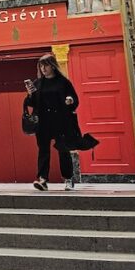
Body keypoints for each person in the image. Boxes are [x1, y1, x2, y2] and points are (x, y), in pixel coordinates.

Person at [24, 53, 79, 191]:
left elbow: (74, 99)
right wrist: (30, 94)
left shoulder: (63, 82)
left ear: (53, 66)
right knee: (43, 151)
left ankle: (68, 179)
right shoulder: (37, 83)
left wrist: (70, 101)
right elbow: (31, 103)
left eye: (46, 65)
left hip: (61, 121)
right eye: (41, 66)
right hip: (43, 122)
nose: (43, 68)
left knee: (63, 150)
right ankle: (42, 179)